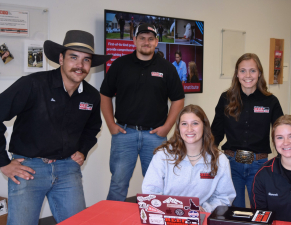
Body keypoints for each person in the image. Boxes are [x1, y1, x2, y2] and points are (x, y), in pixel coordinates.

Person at [0, 30, 112, 225]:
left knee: (77, 222)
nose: (80, 65)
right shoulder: (33, 85)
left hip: (68, 169)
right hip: (29, 168)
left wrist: (83, 150)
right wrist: (2, 162)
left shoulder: (91, 95)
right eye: (73, 57)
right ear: (61, 58)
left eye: (86, 60)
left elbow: (93, 127)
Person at [100, 23, 185, 202]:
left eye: (150, 39)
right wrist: (110, 125)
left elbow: (178, 99)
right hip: (124, 134)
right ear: (134, 41)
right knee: (118, 184)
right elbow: (105, 94)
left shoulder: (167, 68)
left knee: (157, 185)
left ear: (156, 42)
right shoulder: (120, 65)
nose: (146, 42)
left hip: (155, 136)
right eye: (142, 38)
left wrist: (167, 127)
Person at [211, 53, 283, 208]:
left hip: (259, 165)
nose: (248, 75)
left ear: (260, 73)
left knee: (260, 212)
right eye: (243, 71)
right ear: (237, 74)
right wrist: (206, 154)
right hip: (231, 165)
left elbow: (280, 132)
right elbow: (216, 132)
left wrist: (284, 159)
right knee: (234, 213)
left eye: (253, 70)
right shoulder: (226, 98)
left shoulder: (270, 101)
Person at [142, 105, 236, 212]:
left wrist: (204, 210)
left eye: (195, 123)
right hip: (167, 216)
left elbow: (224, 197)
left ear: (204, 126)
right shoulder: (163, 155)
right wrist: (170, 210)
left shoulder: (220, 160)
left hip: (201, 218)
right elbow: (150, 191)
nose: (189, 129)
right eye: (184, 124)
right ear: (178, 128)